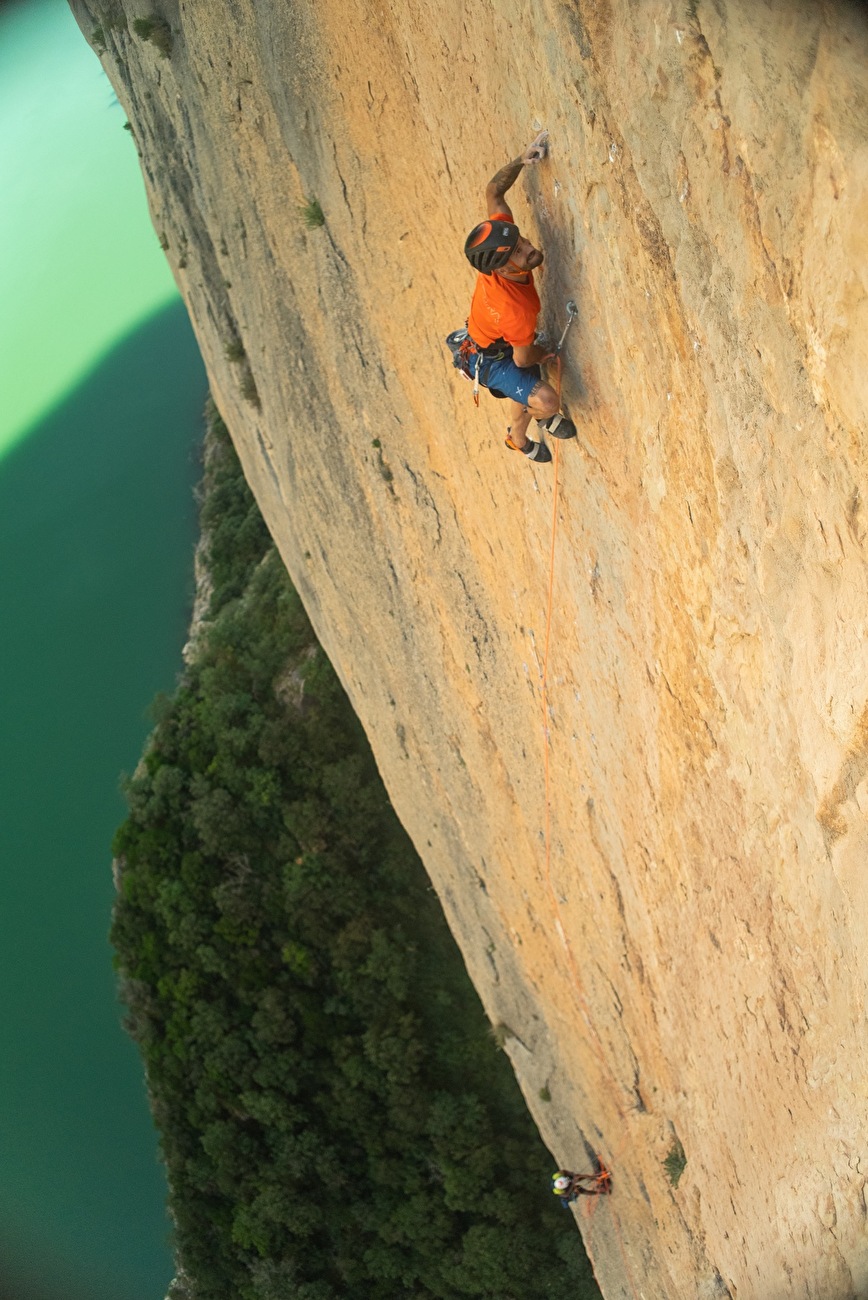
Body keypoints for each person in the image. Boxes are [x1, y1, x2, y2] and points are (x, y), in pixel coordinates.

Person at [460, 132, 577, 465]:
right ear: (501, 267)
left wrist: (520, 162)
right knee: (544, 396)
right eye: (519, 253)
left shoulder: (501, 242)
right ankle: (523, 435)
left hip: (492, 338)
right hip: (492, 358)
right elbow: (524, 361)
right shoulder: (517, 309)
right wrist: (548, 352)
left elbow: (494, 192)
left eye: (522, 241)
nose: (528, 248)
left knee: (526, 383)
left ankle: (524, 428)